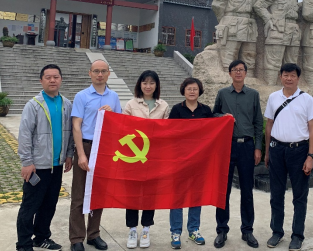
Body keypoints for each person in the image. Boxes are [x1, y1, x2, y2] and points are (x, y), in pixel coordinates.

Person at [16, 64, 74, 251]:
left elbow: (71, 133)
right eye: (48, 77)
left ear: (61, 79)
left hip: (56, 165)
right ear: (41, 80)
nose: (52, 80)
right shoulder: (33, 105)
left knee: (49, 204)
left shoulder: (67, 104)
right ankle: (24, 244)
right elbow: (25, 135)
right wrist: (27, 162)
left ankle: (41, 237)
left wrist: (69, 154)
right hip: (37, 166)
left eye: (56, 77)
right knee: (30, 206)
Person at [69, 59, 122, 251]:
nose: (100, 75)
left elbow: (119, 124)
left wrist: (111, 114)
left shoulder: (114, 97)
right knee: (79, 194)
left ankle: (93, 234)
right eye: (96, 71)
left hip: (104, 149)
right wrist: (81, 154)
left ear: (109, 74)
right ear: (90, 73)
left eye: (103, 71)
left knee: (98, 193)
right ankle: (76, 238)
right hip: (86, 146)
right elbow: (76, 126)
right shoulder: (82, 96)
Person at [264, 63, 313, 251]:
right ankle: (277, 231)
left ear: (298, 78)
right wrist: (267, 152)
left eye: (292, 75)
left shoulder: (307, 99)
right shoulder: (273, 97)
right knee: (276, 194)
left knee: (299, 195)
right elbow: (269, 125)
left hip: (299, 151)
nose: (289, 78)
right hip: (277, 150)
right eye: (285, 75)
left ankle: (297, 235)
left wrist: (310, 156)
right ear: (280, 76)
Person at [212, 60, 264, 249]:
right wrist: (222, 116)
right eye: (235, 70)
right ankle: (222, 230)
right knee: (223, 190)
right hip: (226, 146)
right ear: (230, 73)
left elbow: (258, 123)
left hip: (247, 146)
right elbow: (213, 115)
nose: (238, 73)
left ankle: (247, 230)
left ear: (246, 73)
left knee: (247, 190)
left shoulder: (253, 95)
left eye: (241, 70)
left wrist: (258, 147)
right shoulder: (222, 93)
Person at [123, 70, 170, 249]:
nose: (148, 86)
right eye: (145, 82)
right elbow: (124, 128)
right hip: (134, 156)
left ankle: (146, 229)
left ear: (156, 85)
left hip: (155, 157)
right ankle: (132, 229)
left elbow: (167, 131)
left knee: (150, 193)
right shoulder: (131, 104)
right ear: (140, 85)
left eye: (151, 83)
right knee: (132, 194)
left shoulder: (163, 106)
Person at [168, 77, 214, 249]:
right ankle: (175, 232)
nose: (192, 91)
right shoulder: (176, 110)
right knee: (177, 196)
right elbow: (169, 133)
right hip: (179, 160)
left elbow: (213, 131)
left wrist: (225, 119)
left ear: (199, 91)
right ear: (184, 91)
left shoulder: (206, 110)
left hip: (199, 161)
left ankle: (194, 229)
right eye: (189, 89)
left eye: (195, 88)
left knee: (196, 195)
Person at [253, 0, 302, 85]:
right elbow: (259, 5)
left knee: (292, 62)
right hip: (278, 30)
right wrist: (268, 18)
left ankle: (289, 88)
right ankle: (270, 86)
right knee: (273, 62)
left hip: (293, 32)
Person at [212, 0, 261, 72]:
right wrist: (224, 21)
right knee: (229, 58)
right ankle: (227, 81)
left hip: (250, 26)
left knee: (250, 57)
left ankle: (249, 81)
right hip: (232, 25)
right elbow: (217, 4)